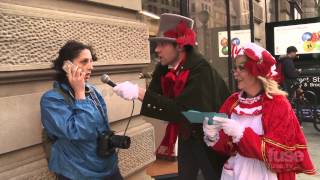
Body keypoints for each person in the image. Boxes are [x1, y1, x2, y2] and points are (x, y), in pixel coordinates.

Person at [112, 13, 230, 180]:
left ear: (180, 46)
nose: (156, 50)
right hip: (187, 135)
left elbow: (184, 111)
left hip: (211, 139)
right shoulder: (165, 66)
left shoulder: (201, 69)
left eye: (162, 44)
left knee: (214, 176)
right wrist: (134, 91)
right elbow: (155, 96)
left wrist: (139, 93)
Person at [203, 43, 315, 180]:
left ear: (257, 72)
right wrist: (213, 136)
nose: (235, 72)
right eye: (235, 68)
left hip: (265, 174)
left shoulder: (277, 103)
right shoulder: (233, 102)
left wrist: (241, 133)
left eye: (241, 68)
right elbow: (228, 149)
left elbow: (280, 155)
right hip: (235, 171)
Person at [40, 40, 123, 180]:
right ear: (67, 66)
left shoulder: (93, 91)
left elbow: (102, 126)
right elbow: (79, 132)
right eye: (84, 61)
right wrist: (79, 94)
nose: (91, 67)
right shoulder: (52, 100)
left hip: (107, 166)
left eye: (91, 61)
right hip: (78, 172)